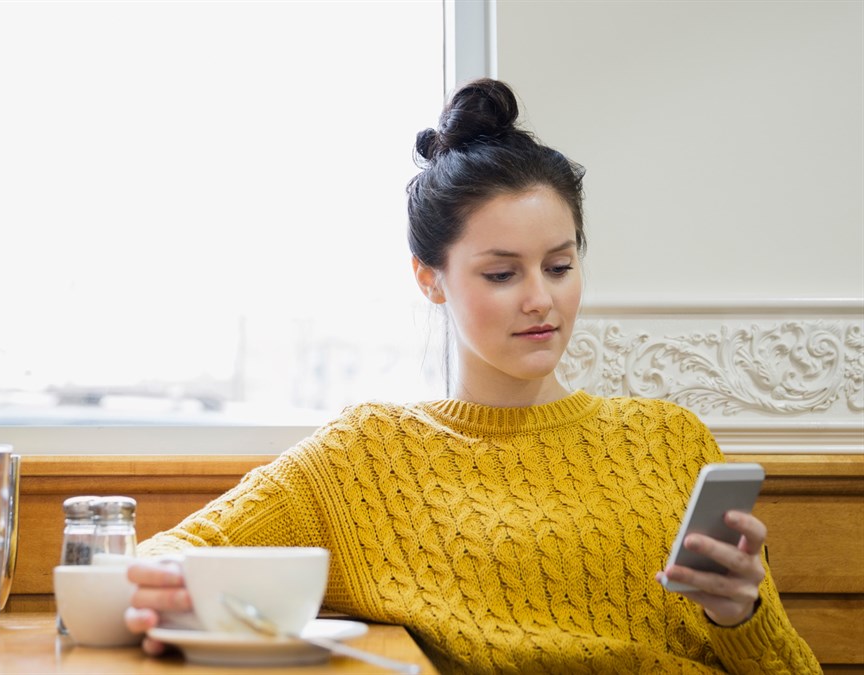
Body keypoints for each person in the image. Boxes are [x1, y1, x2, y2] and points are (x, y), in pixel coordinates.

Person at [123, 78, 821, 674]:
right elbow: (166, 556)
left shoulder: (671, 440)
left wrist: (742, 614)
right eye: (500, 273)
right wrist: (200, 595)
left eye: (559, 265)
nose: (539, 299)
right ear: (431, 279)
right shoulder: (366, 455)